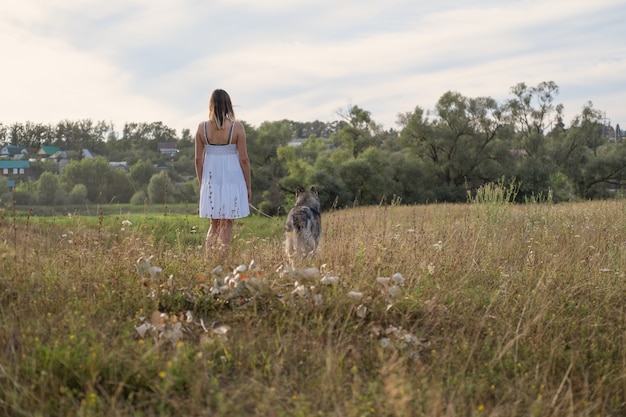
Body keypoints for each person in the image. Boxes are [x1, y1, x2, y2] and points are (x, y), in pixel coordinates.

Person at [195, 89, 251, 258]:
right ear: (228, 104)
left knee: (214, 224)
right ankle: (222, 262)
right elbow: (244, 160)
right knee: (227, 224)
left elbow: (198, 160)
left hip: (211, 180)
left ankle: (209, 260)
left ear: (211, 105)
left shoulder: (201, 128)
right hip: (232, 180)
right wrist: (248, 186)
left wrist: (202, 184)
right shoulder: (237, 127)